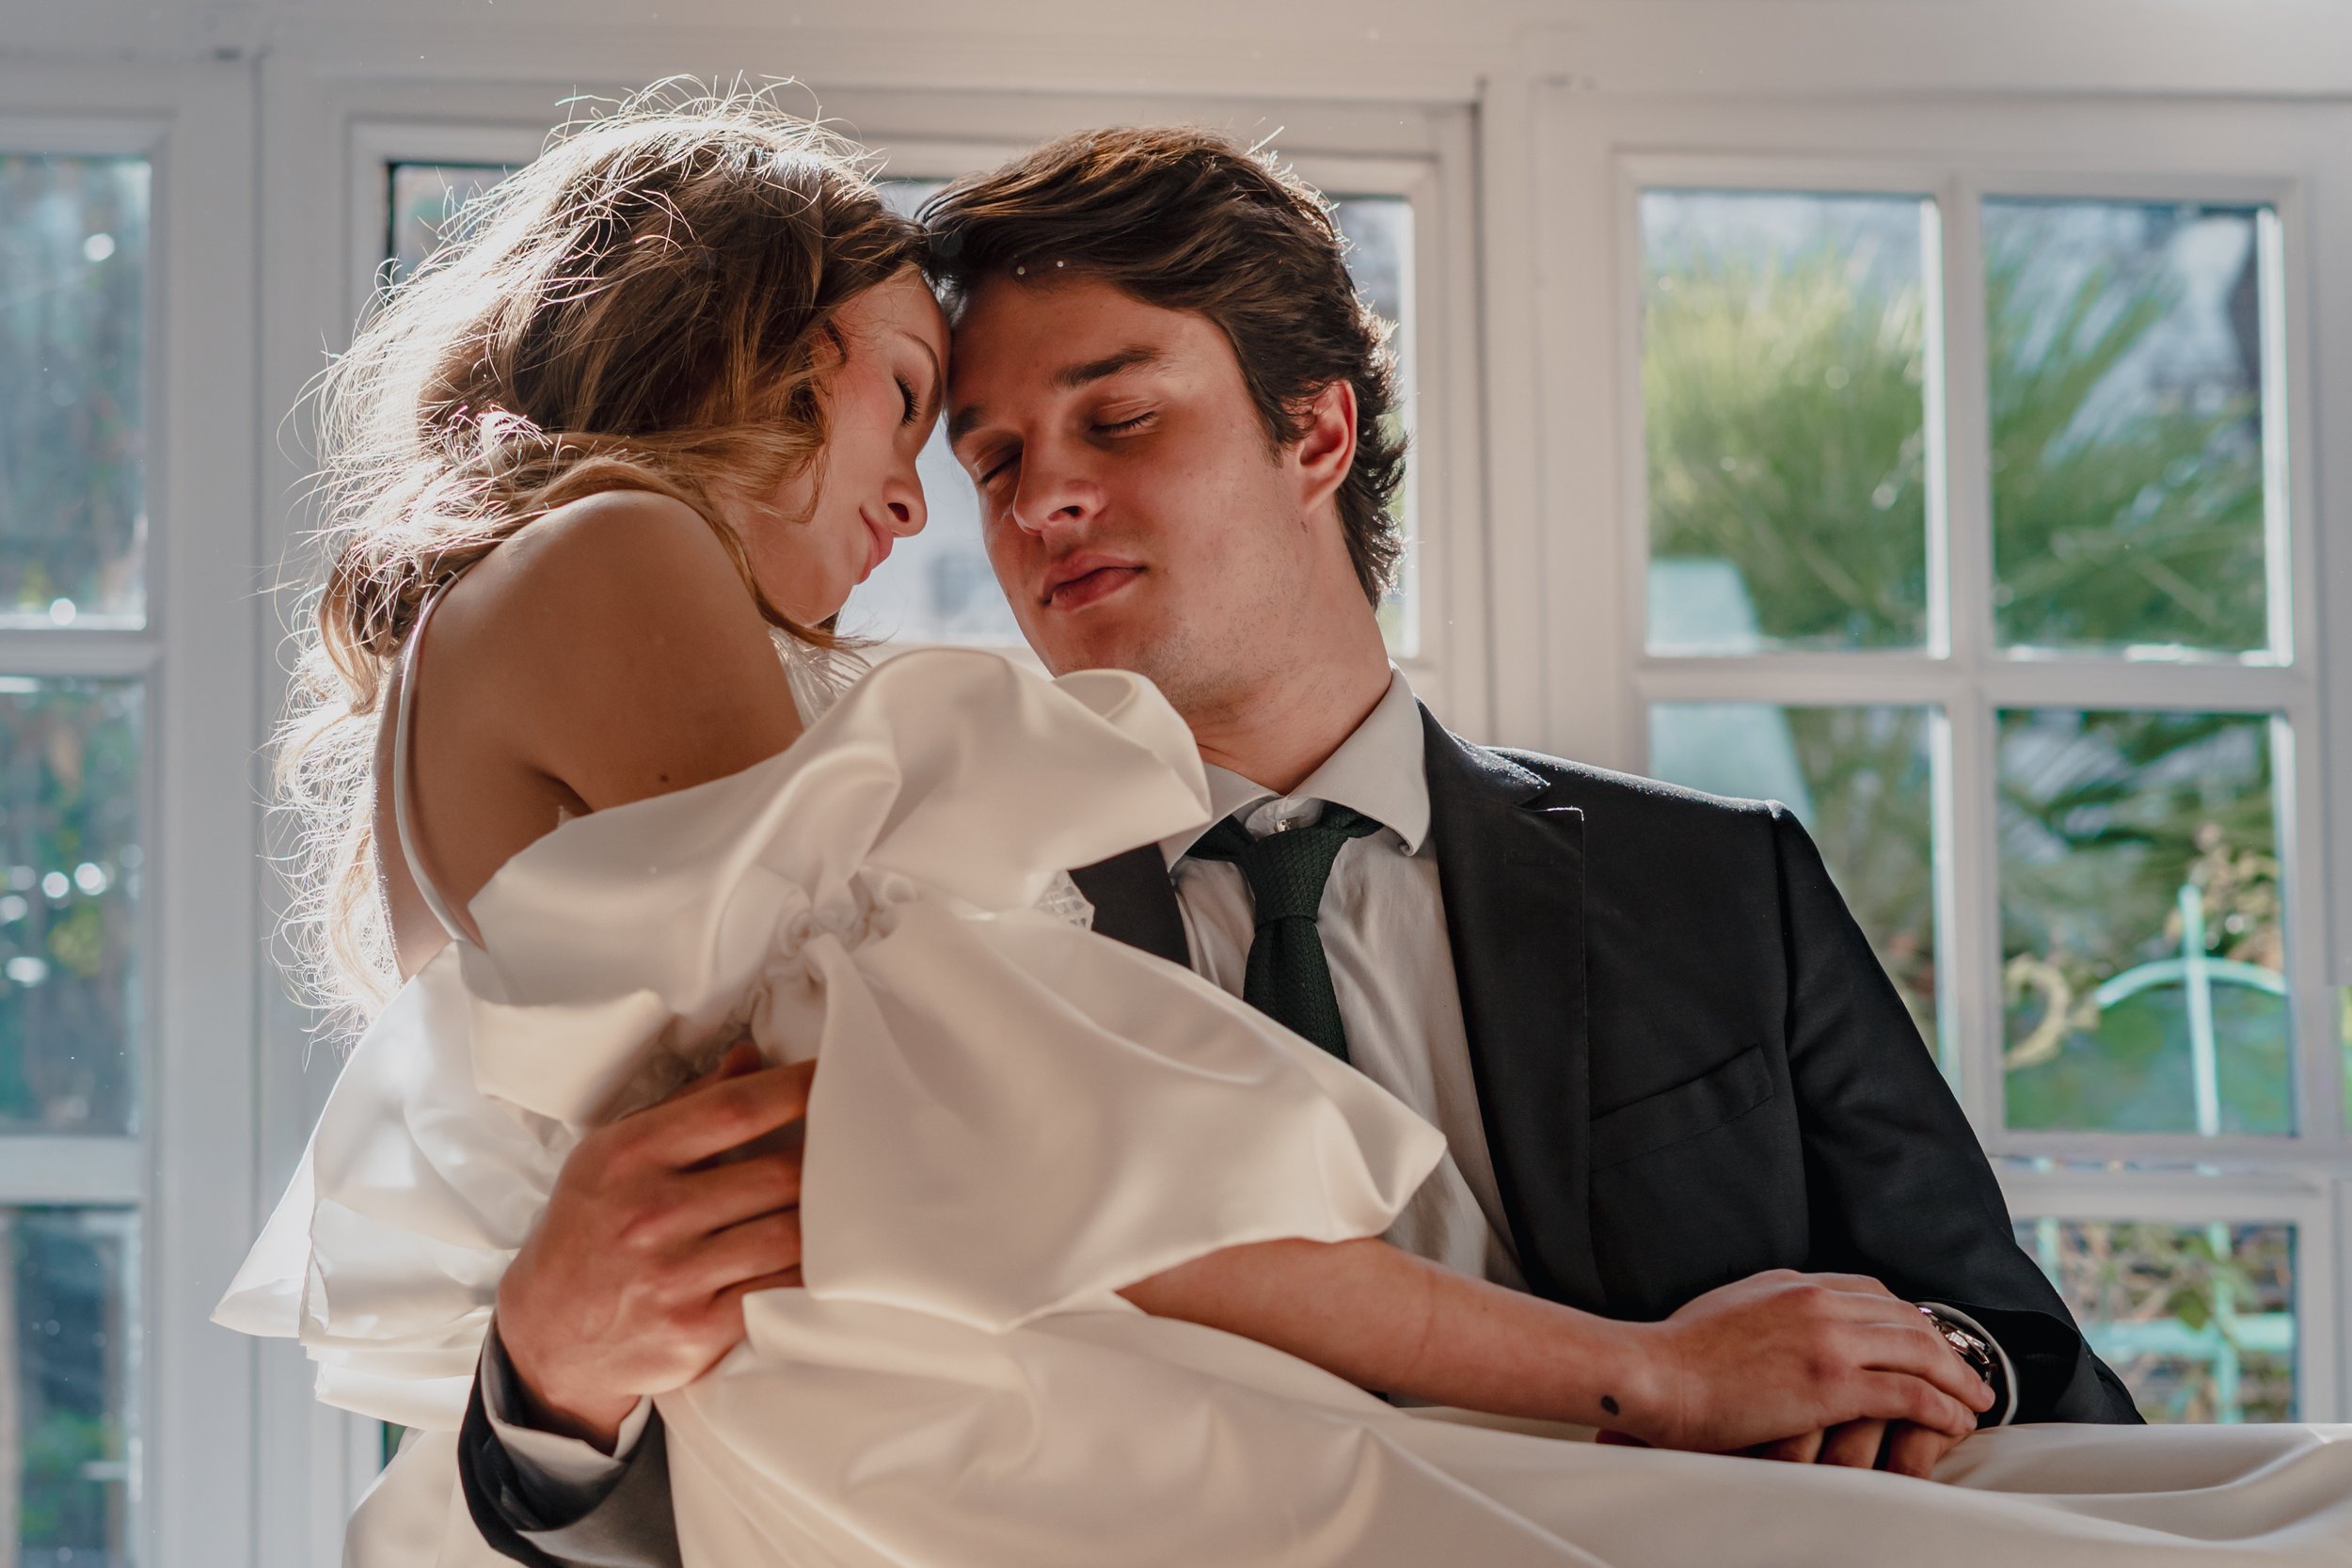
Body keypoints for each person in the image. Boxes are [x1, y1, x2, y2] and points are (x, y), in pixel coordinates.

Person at [217, 100, 2351, 1568]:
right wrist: (544, 1399)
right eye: (966, 443)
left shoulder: (1715, 887)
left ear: (1313, 432)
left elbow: (2016, 1355)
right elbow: (678, 1399)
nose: (1007, 501)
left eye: (1116, 421)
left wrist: (1902, 1378)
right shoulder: (912, 875)